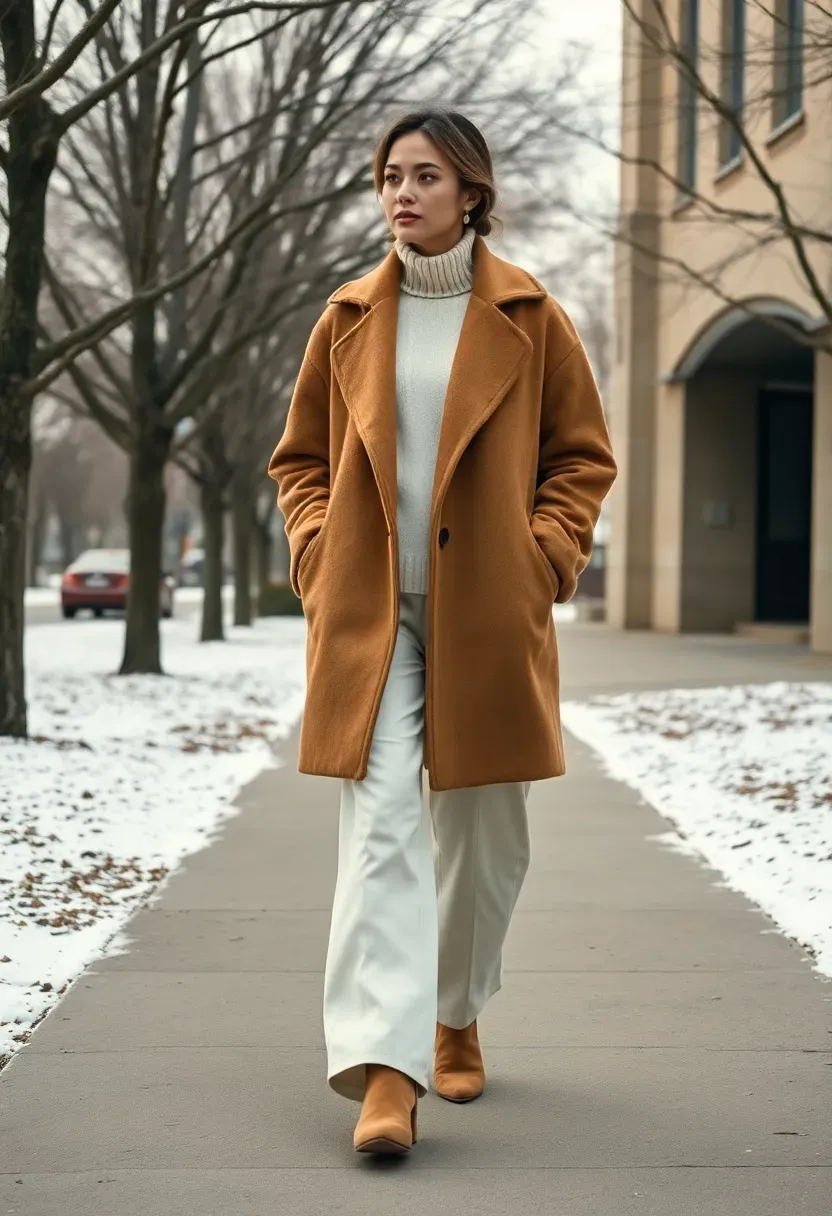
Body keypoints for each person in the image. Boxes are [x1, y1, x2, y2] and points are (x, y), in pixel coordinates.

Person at [268, 108, 617, 1156]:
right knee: (377, 828)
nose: (400, 193)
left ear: (471, 190)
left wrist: (543, 556)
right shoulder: (344, 319)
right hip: (372, 617)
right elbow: (300, 463)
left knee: (482, 834)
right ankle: (387, 1069)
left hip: (484, 613)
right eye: (388, 175)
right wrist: (320, 554)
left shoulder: (531, 315)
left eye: (423, 175)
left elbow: (580, 460)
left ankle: (454, 1008)